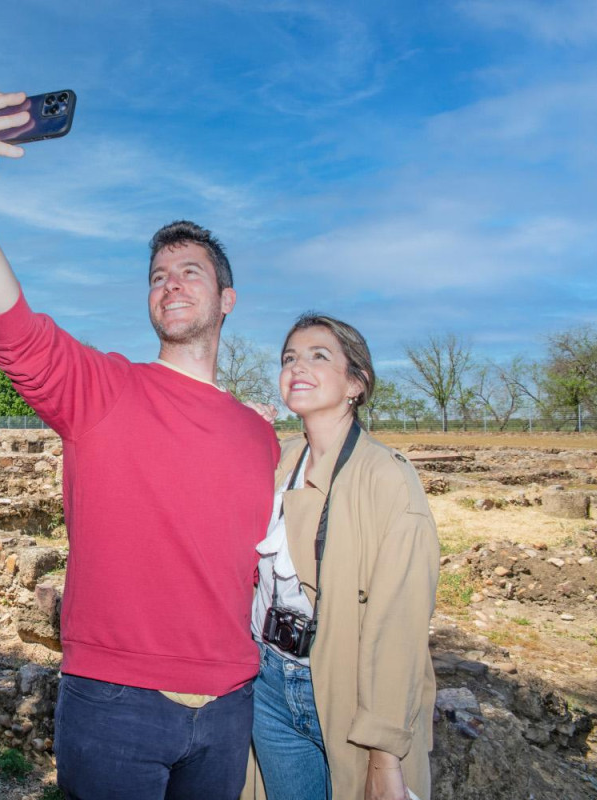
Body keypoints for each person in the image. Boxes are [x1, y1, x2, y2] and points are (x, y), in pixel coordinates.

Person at [0, 91, 280, 799]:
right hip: (115, 701)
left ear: (227, 299)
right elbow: (14, 330)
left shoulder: (259, 432)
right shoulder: (104, 390)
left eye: (191, 271)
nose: (171, 282)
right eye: (159, 275)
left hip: (229, 702)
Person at [245, 313, 439, 800]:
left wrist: (384, 754)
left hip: (342, 688)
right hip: (268, 678)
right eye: (289, 358)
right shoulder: (279, 457)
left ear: (357, 382)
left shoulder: (387, 477)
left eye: (318, 356)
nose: (297, 367)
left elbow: (399, 622)